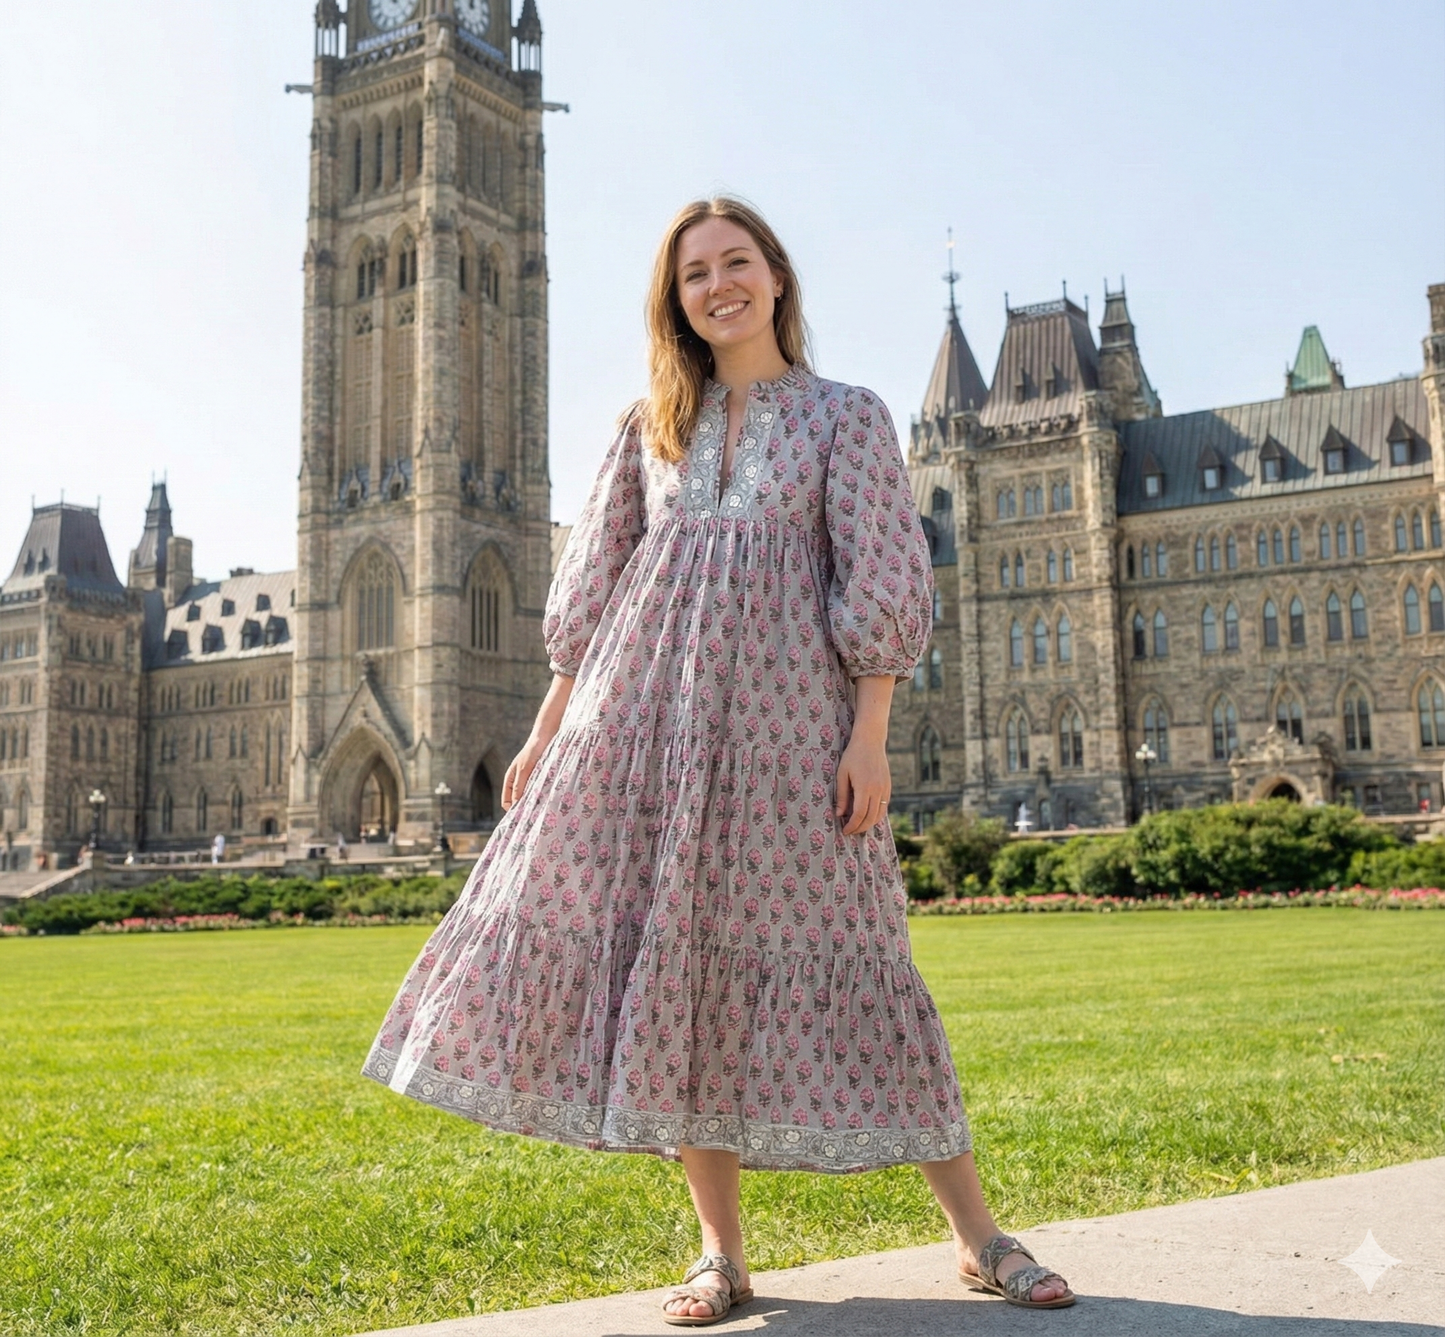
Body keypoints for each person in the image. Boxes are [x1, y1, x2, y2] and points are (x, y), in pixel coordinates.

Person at [361, 197, 1074, 1321]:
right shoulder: (649, 424)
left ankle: (980, 1236)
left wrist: (870, 732)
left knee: (866, 954)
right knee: (675, 972)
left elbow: (881, 573)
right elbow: (593, 587)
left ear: (775, 277)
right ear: (676, 299)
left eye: (734, 262)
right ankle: (721, 1255)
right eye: (693, 273)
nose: (716, 285)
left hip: (794, 734)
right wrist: (548, 728)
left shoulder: (846, 416)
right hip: (645, 734)